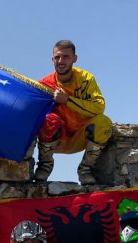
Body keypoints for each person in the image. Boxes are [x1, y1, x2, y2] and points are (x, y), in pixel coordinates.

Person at [35, 40, 113, 185]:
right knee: (48, 120)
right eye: (57, 57)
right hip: (57, 139)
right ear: (52, 60)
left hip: (80, 136)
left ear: (74, 59)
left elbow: (99, 106)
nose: (61, 61)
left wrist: (68, 100)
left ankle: (86, 170)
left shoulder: (86, 79)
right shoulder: (44, 84)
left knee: (104, 123)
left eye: (66, 57)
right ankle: (44, 165)